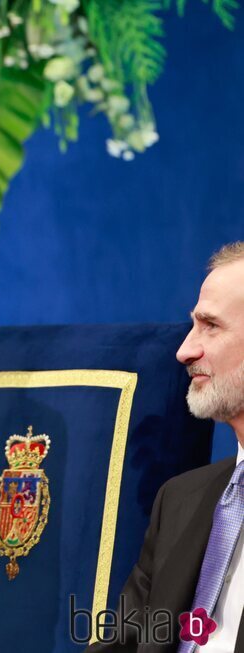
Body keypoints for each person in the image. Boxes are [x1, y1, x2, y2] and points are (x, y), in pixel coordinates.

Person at [87, 243, 244, 652]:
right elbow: (123, 643)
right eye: (193, 325)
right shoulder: (178, 500)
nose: (185, 350)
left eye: (211, 326)